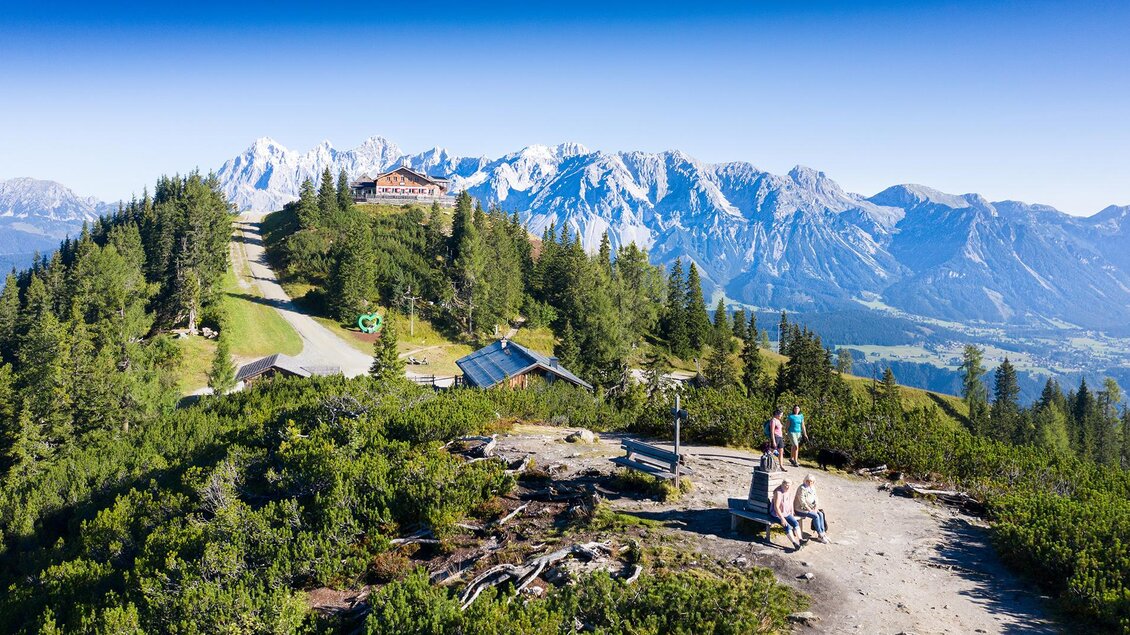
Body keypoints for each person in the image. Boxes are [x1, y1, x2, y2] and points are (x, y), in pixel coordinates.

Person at [794, 474, 829, 544]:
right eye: (808, 481)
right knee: (815, 516)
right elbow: (802, 502)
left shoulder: (812, 487)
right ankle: (820, 535)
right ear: (805, 480)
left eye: (812, 481)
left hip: (810, 508)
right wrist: (811, 510)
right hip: (800, 509)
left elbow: (816, 498)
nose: (810, 483)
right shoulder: (802, 488)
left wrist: (816, 508)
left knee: (821, 514)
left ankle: (823, 533)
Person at [771, 479, 803, 550]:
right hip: (777, 514)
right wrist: (782, 519)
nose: (788, 487)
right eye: (786, 485)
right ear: (783, 484)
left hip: (786, 513)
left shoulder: (788, 491)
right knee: (787, 526)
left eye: (789, 486)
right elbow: (776, 507)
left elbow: (790, 503)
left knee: (795, 523)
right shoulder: (778, 492)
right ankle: (794, 543)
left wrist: (791, 513)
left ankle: (800, 540)